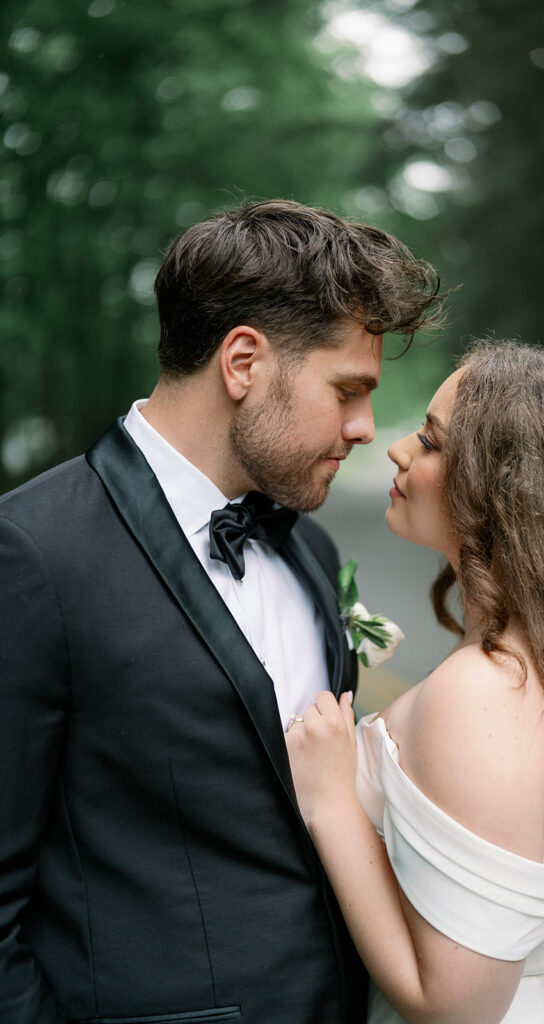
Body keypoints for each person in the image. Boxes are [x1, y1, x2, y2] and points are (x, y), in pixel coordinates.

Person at [0, 199, 440, 1024]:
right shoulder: (30, 554)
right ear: (243, 362)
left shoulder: (304, 550)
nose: (365, 427)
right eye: (347, 389)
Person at [286, 340, 544, 1024]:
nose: (398, 450)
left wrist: (331, 805)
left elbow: (454, 1008)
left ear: (506, 491)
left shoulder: (483, 695)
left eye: (432, 443)